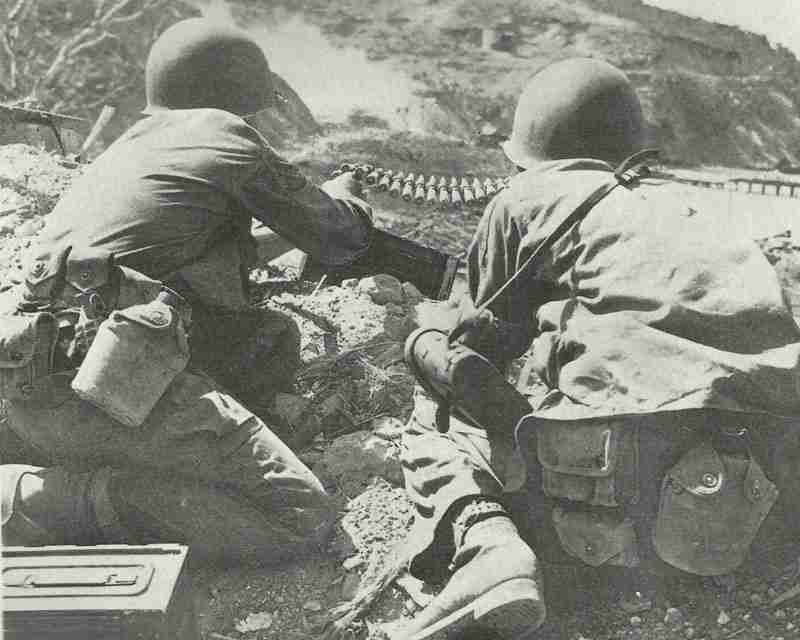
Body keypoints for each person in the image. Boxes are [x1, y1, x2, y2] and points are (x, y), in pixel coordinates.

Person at [396, 57, 800, 640]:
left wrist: (421, 339)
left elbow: (478, 349)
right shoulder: (690, 205)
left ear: (532, 146)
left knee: (435, 414)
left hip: (630, 474)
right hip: (768, 472)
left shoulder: (526, 196)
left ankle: (490, 551)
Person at [0, 18, 373, 565]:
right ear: (234, 97)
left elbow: (200, 257)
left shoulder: (127, 152)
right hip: (116, 381)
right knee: (299, 518)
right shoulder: (226, 133)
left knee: (269, 338)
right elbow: (339, 237)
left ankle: (81, 469)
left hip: (32, 388)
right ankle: (45, 498)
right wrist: (351, 201)